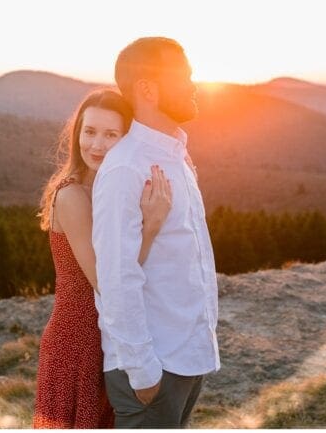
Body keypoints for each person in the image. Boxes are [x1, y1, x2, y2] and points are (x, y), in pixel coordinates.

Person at [92, 37, 220, 428]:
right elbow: (116, 278)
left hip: (186, 355)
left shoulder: (176, 155)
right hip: (153, 366)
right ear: (148, 88)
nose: (194, 85)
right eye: (184, 76)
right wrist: (142, 370)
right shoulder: (126, 168)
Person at [33, 89, 173, 429]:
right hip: (77, 337)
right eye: (89, 131)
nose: (96, 145)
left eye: (111, 134)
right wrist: (151, 226)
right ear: (76, 132)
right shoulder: (72, 195)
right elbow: (105, 279)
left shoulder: (106, 188)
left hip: (106, 332)